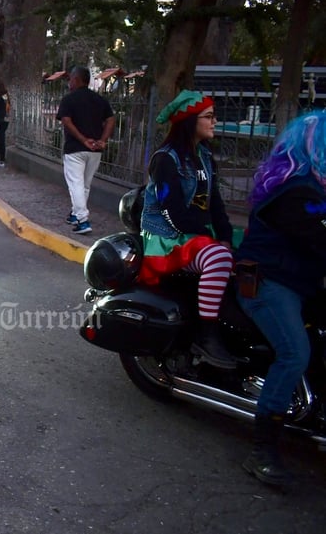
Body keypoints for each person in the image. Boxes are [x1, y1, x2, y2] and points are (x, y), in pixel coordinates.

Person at [234, 112, 326, 486]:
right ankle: (262, 451)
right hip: (268, 282)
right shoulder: (295, 191)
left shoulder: (315, 188)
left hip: (298, 280)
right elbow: (320, 241)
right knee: (294, 352)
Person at [138, 89, 238, 370]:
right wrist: (212, 242)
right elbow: (171, 211)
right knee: (218, 258)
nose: (214, 121)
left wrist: (227, 237)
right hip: (168, 238)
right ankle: (206, 335)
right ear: (189, 121)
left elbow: (216, 205)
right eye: (208, 117)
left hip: (195, 236)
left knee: (246, 254)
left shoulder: (204, 157)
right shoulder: (166, 160)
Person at [56, 66, 115, 234]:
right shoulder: (100, 100)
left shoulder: (69, 99)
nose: (69, 83)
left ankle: (83, 220)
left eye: (70, 79)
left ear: (76, 80)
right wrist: (103, 140)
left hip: (75, 149)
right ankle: (75, 214)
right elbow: (111, 120)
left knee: (75, 184)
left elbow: (66, 121)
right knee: (85, 185)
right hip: (95, 149)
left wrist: (82, 139)